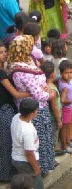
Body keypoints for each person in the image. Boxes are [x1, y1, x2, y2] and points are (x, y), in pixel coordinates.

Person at [7, 35, 55, 176]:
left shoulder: (19, 64)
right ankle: (41, 169)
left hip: (31, 106)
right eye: (30, 46)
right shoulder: (22, 71)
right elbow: (38, 95)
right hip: (36, 110)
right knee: (37, 140)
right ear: (25, 49)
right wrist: (51, 93)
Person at [0, 41, 31, 182]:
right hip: (4, 110)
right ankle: (6, 175)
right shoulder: (1, 73)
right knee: (6, 143)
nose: (4, 55)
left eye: (5, 51)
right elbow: (16, 94)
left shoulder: (5, 68)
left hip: (6, 108)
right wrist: (34, 91)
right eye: (0, 53)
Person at [11, 98, 44, 189]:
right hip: (26, 162)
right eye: (36, 110)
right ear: (31, 114)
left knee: (23, 184)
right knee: (36, 184)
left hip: (17, 157)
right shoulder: (27, 131)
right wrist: (36, 169)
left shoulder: (16, 117)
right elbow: (29, 153)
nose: (37, 112)